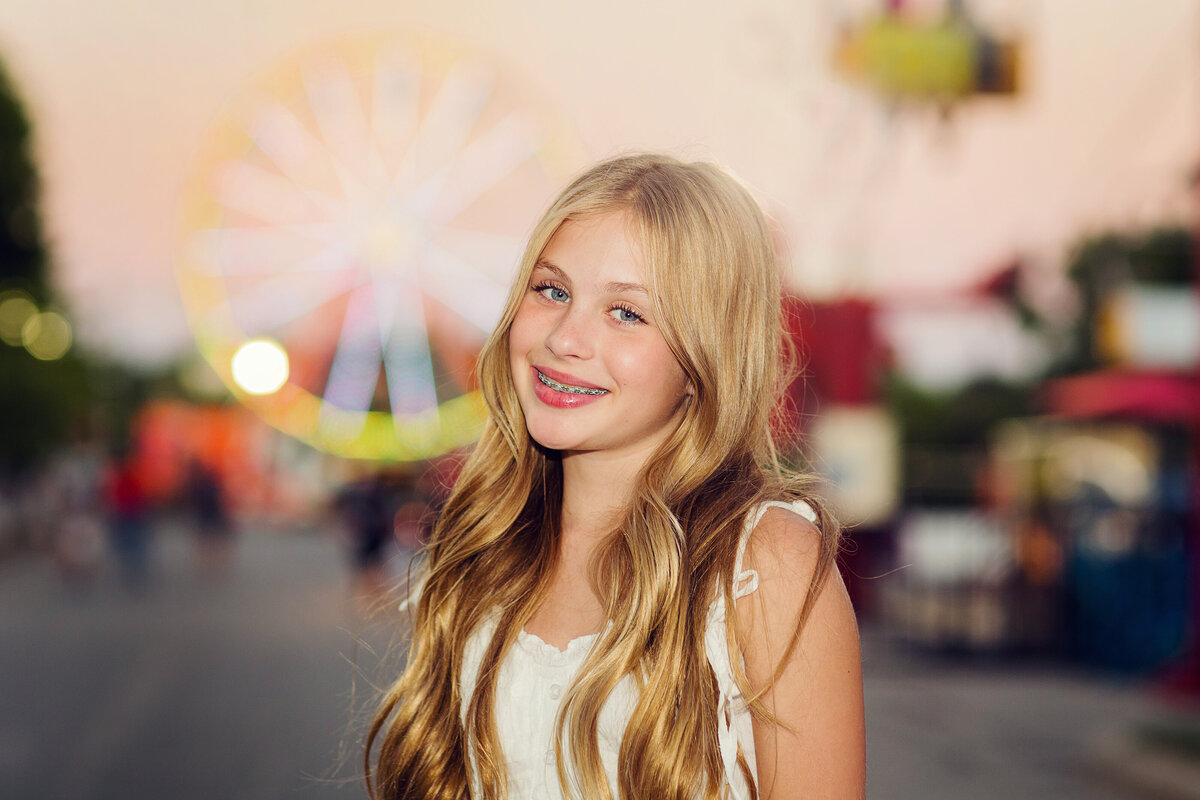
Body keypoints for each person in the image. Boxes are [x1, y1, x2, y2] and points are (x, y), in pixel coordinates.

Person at [366, 154, 865, 799]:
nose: (566, 338)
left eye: (626, 313)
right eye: (552, 291)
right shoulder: (485, 547)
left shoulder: (760, 563)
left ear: (703, 357)